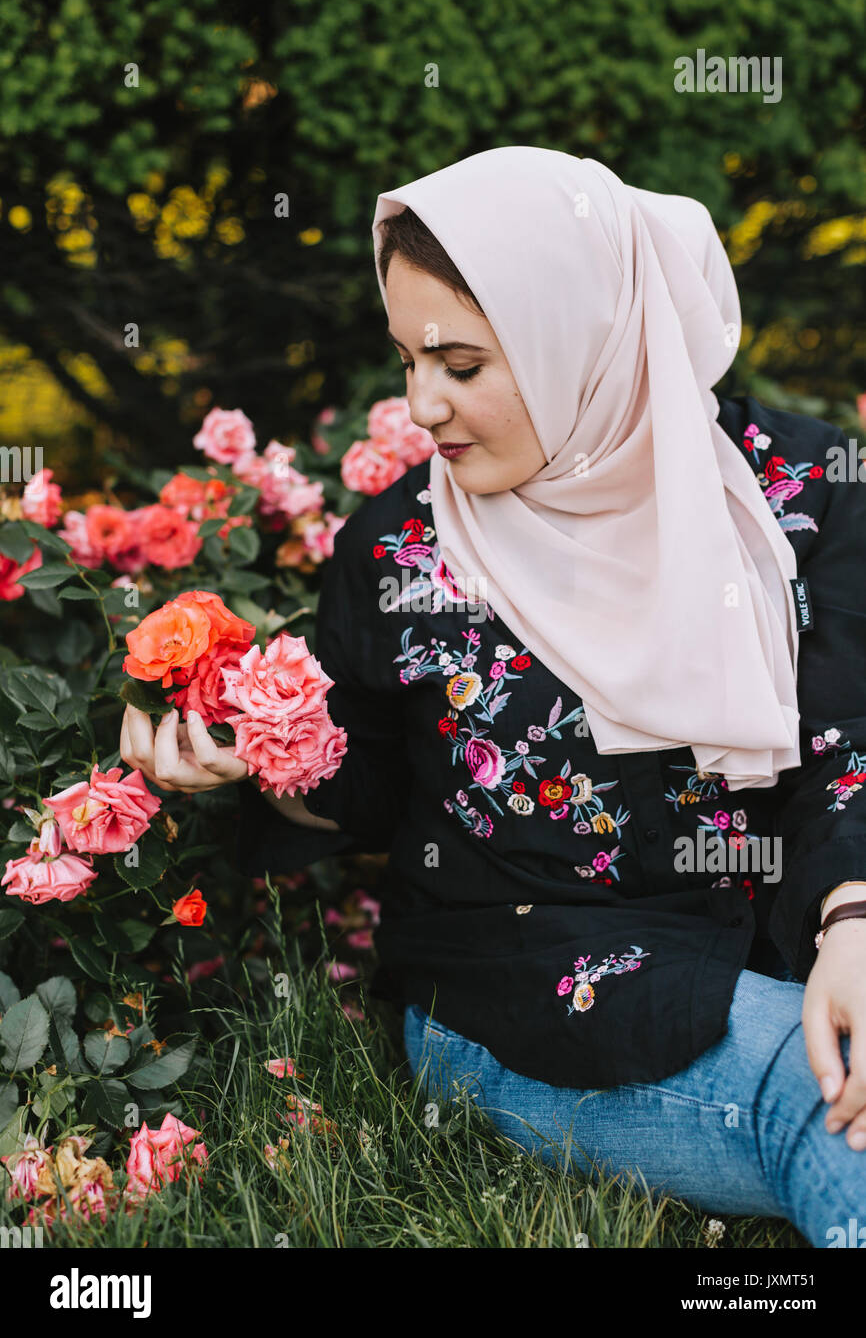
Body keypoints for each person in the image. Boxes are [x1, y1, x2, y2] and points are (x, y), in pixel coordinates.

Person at [120, 147, 866, 1248]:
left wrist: (851, 923)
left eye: (460, 365)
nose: (420, 405)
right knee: (834, 1099)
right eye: (409, 361)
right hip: (536, 977)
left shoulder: (793, 493)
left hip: (791, 930)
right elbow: (366, 784)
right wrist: (259, 759)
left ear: (586, 339)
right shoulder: (400, 547)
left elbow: (848, 732)